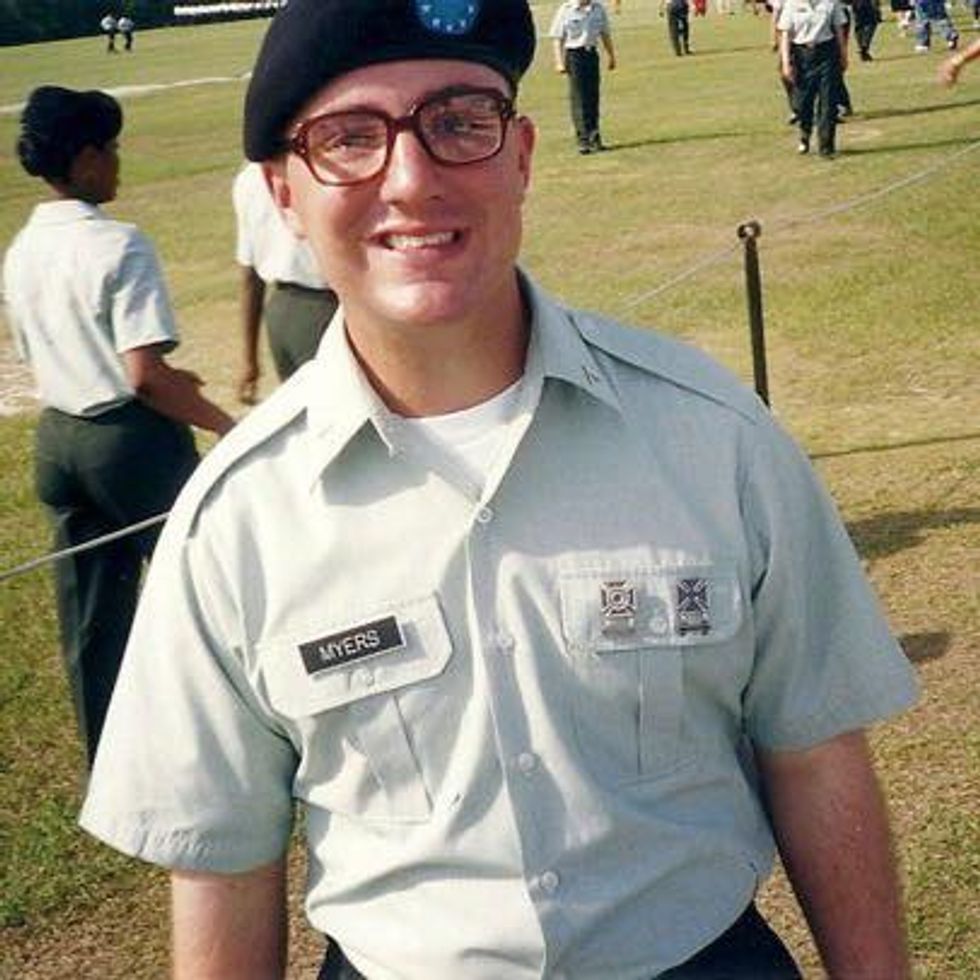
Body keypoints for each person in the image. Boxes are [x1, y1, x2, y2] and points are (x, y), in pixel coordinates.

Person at [80, 2, 918, 978]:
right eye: (348, 139)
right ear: (282, 195)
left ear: (519, 154)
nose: (411, 178)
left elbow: (814, 754)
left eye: (458, 120)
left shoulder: (715, 437)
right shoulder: (234, 518)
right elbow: (224, 869)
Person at [1, 87, 235, 767]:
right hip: (127, 443)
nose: (118, 162)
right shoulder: (119, 243)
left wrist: (169, 378)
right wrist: (226, 424)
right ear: (84, 159)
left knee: (91, 616)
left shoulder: (22, 246)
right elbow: (143, 377)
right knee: (206, 584)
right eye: (110, 150)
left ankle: (108, 761)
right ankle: (225, 737)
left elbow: (62, 346)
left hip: (59, 439)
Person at [232, 161, 338, 404]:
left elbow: (249, 275)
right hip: (326, 308)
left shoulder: (248, 178)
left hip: (281, 313)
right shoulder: (314, 167)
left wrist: (249, 359)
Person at [778, 0, 849, 156]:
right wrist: (786, 63)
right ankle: (805, 133)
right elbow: (785, 35)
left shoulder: (830, 3)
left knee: (828, 101)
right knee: (803, 102)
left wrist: (843, 54)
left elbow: (839, 30)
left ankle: (826, 146)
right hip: (802, 55)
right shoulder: (791, 5)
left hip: (827, 53)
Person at [549, 0, 617, 153]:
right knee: (579, 98)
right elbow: (557, 38)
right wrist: (559, 62)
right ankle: (583, 140)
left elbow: (605, 33)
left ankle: (595, 137)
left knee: (593, 97)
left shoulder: (598, 8)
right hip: (575, 56)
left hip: (591, 54)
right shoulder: (566, 9)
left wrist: (611, 55)